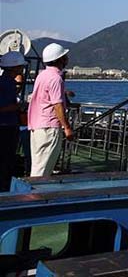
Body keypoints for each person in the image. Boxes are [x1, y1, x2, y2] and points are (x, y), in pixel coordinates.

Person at [28, 43, 74, 177]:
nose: (67, 58)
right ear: (60, 59)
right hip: (49, 128)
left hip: (37, 126)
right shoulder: (56, 78)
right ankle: (33, 191)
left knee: (38, 166)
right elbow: (57, 105)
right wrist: (67, 127)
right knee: (42, 170)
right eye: (65, 56)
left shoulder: (42, 75)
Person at [0, 51, 26, 190]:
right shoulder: (5, 83)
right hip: (6, 128)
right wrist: (18, 106)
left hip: (8, 126)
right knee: (5, 162)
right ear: (15, 67)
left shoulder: (8, 82)